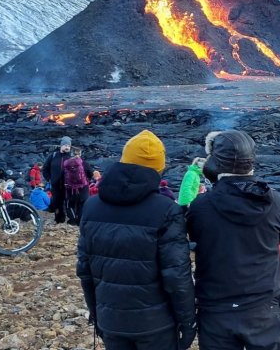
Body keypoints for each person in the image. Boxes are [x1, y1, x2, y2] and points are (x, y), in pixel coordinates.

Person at [76, 130, 195, 350]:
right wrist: (188, 322)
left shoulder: (91, 206)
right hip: (156, 325)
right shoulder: (166, 210)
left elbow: (85, 270)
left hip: (111, 320)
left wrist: (97, 314)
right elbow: (177, 276)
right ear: (159, 169)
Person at [187, 130, 280, 349]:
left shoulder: (200, 207)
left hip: (216, 309)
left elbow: (192, 238)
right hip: (263, 308)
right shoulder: (274, 202)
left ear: (214, 164)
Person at [63, 147, 91, 225]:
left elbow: (62, 175)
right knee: (82, 204)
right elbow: (90, 173)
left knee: (69, 205)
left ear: (71, 154)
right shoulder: (84, 163)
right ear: (80, 154)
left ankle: (73, 220)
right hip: (83, 188)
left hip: (70, 189)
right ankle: (80, 221)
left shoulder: (66, 163)